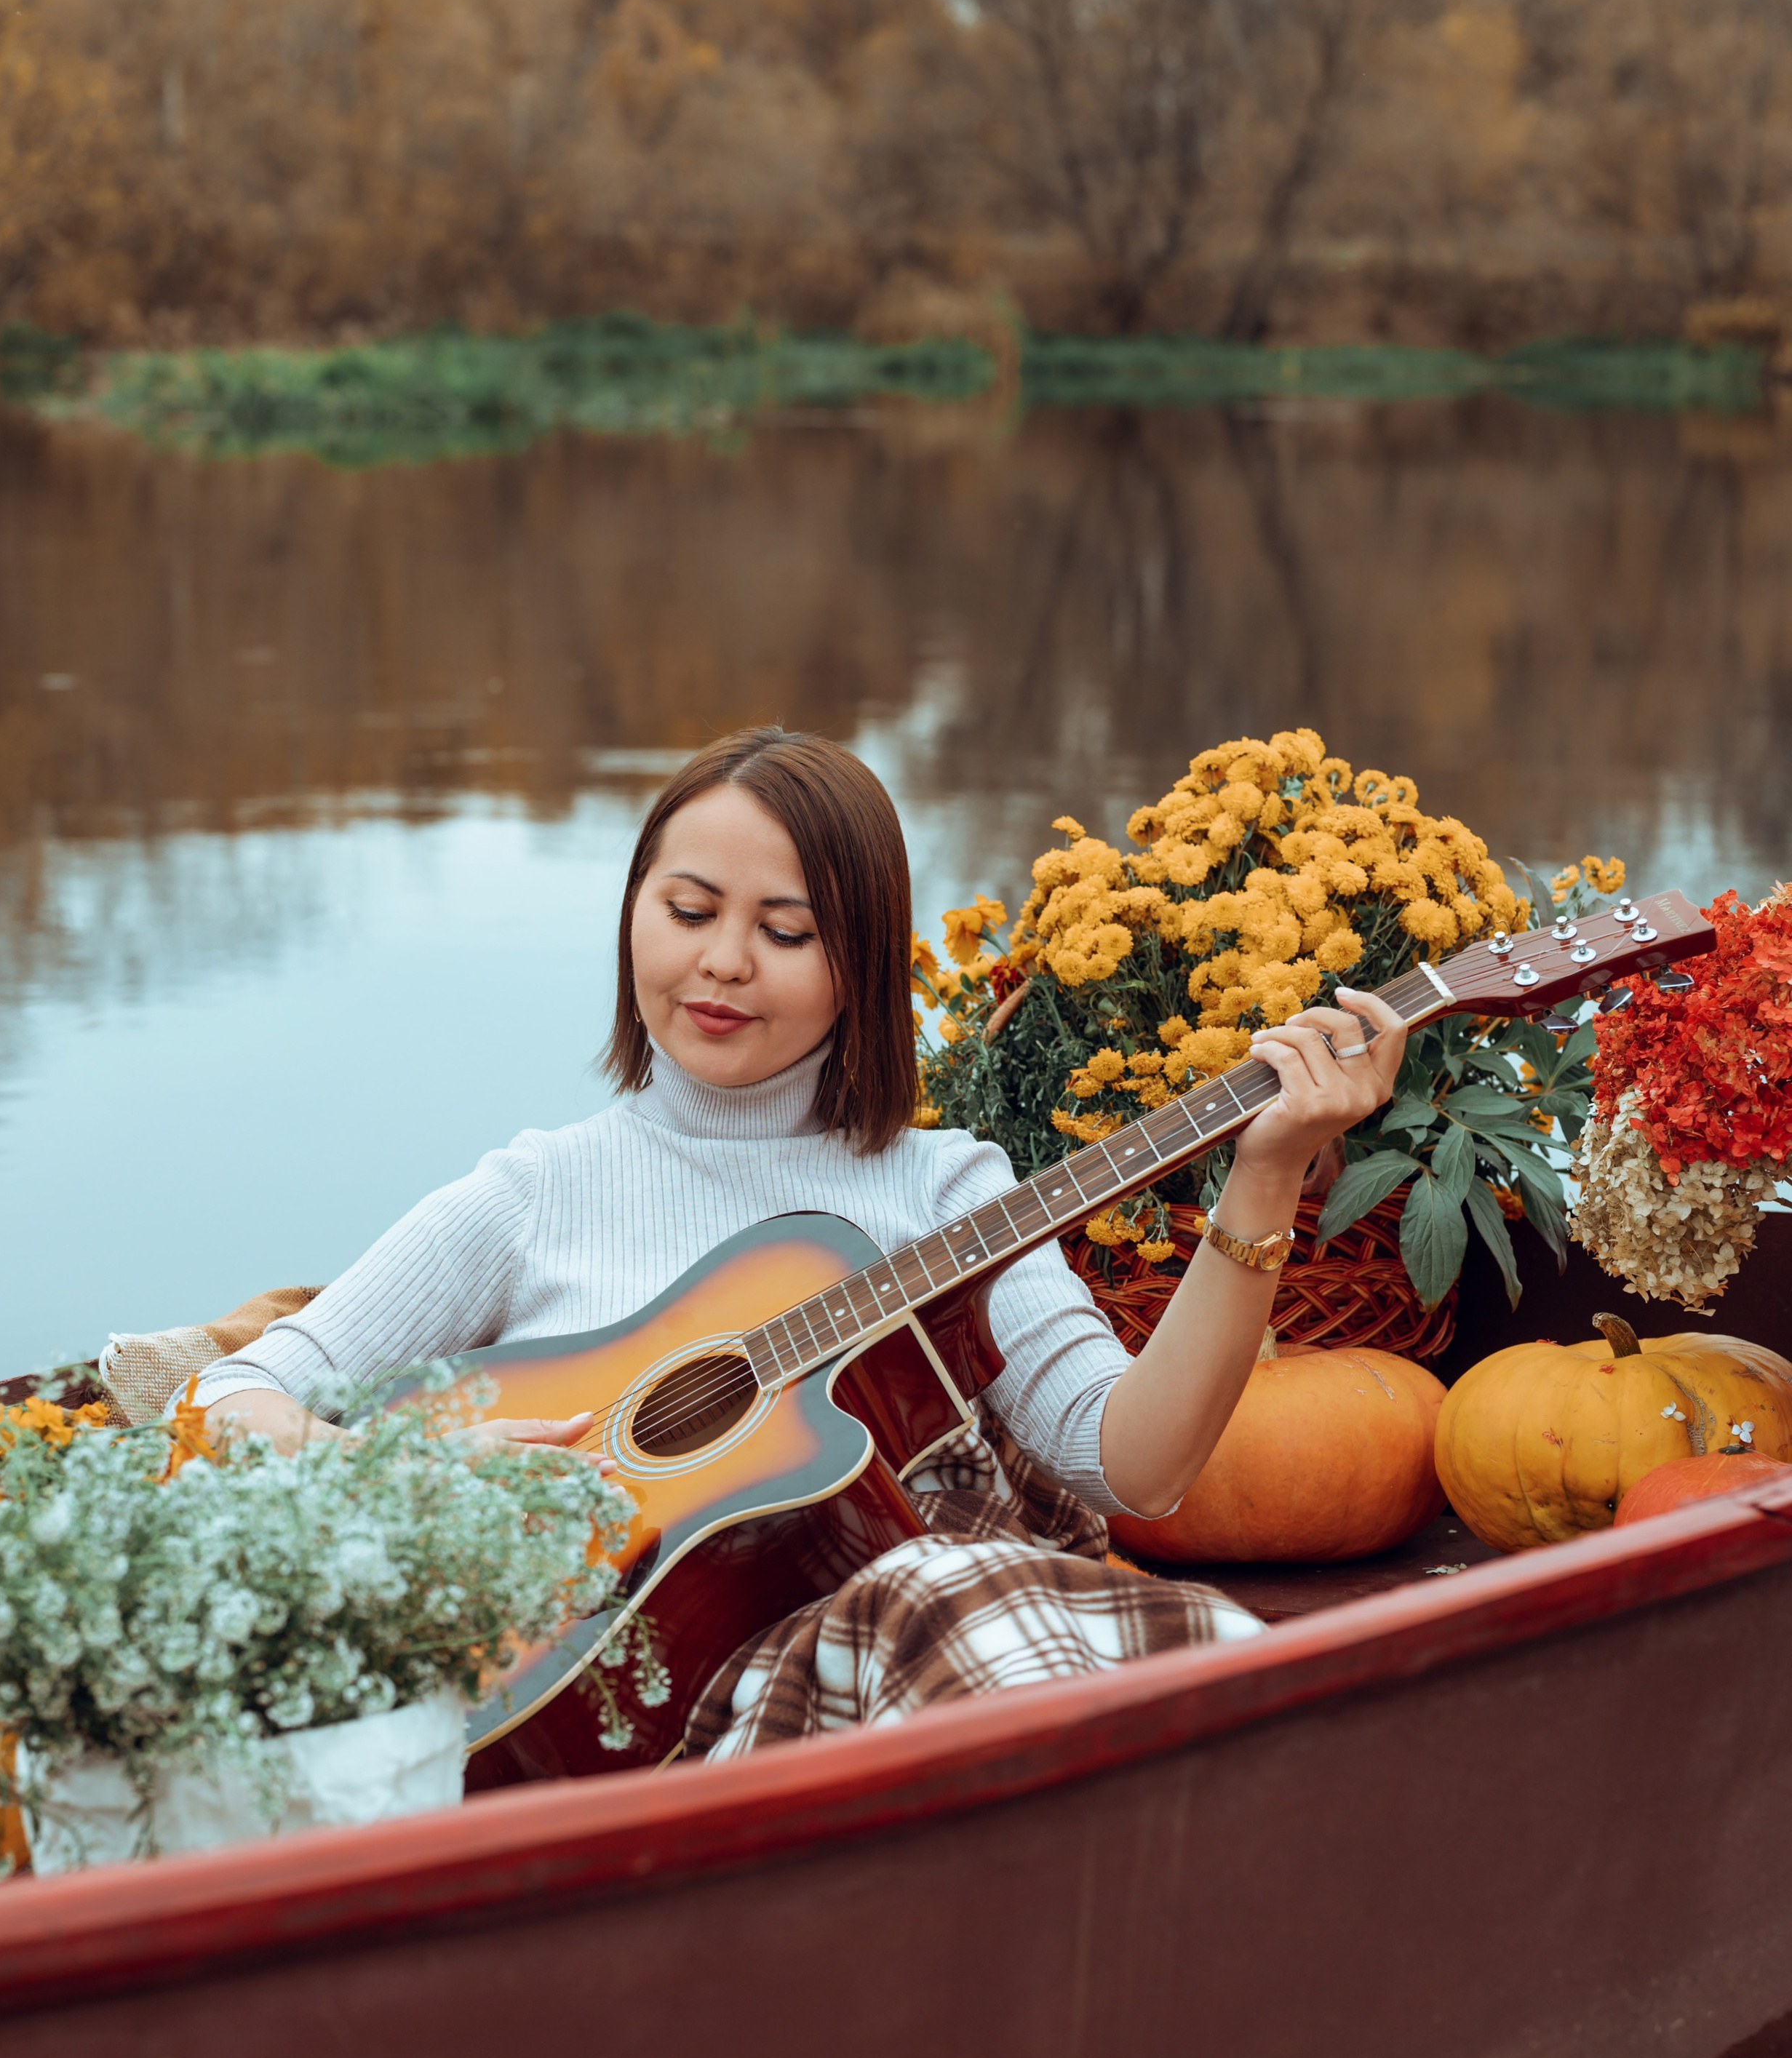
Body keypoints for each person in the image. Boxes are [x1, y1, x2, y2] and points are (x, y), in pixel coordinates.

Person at [197, 728, 1403, 1756]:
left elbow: (1132, 1467)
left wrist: (1266, 1176)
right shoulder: (533, 1193)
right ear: (633, 916)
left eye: (785, 930)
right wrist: (399, 1473)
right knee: (945, 1595)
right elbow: (235, 1390)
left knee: (935, 1583)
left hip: (921, 1682)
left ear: (860, 968)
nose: (721, 961)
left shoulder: (947, 1190)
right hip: (643, 1718)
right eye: (687, 911)